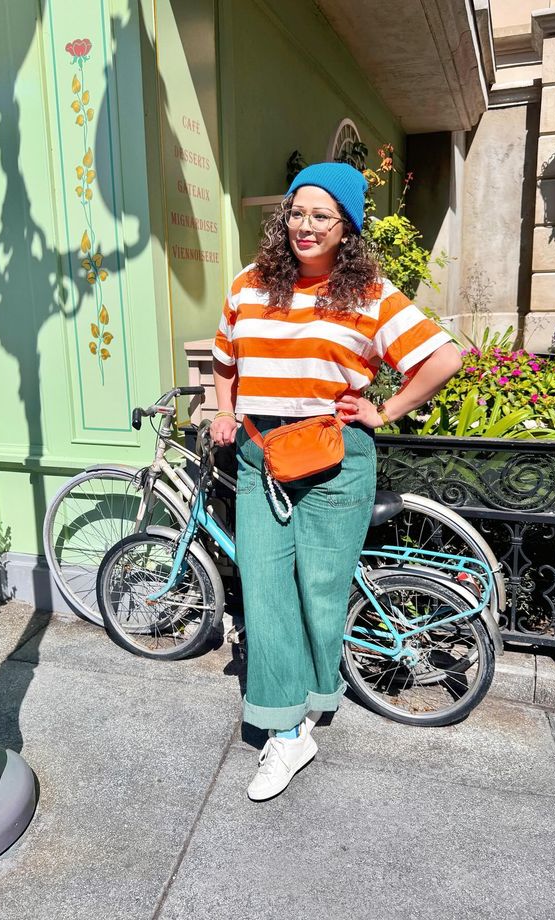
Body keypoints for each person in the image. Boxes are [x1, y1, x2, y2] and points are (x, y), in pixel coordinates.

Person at [210, 162, 461, 801]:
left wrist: (388, 409)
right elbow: (224, 358)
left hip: (334, 458)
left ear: (346, 227)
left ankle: (316, 696)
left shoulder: (369, 294)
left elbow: (443, 357)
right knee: (265, 591)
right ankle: (285, 731)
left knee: (321, 591)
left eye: (322, 216)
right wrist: (223, 407)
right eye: (298, 212)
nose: (305, 225)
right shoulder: (248, 285)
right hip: (260, 454)